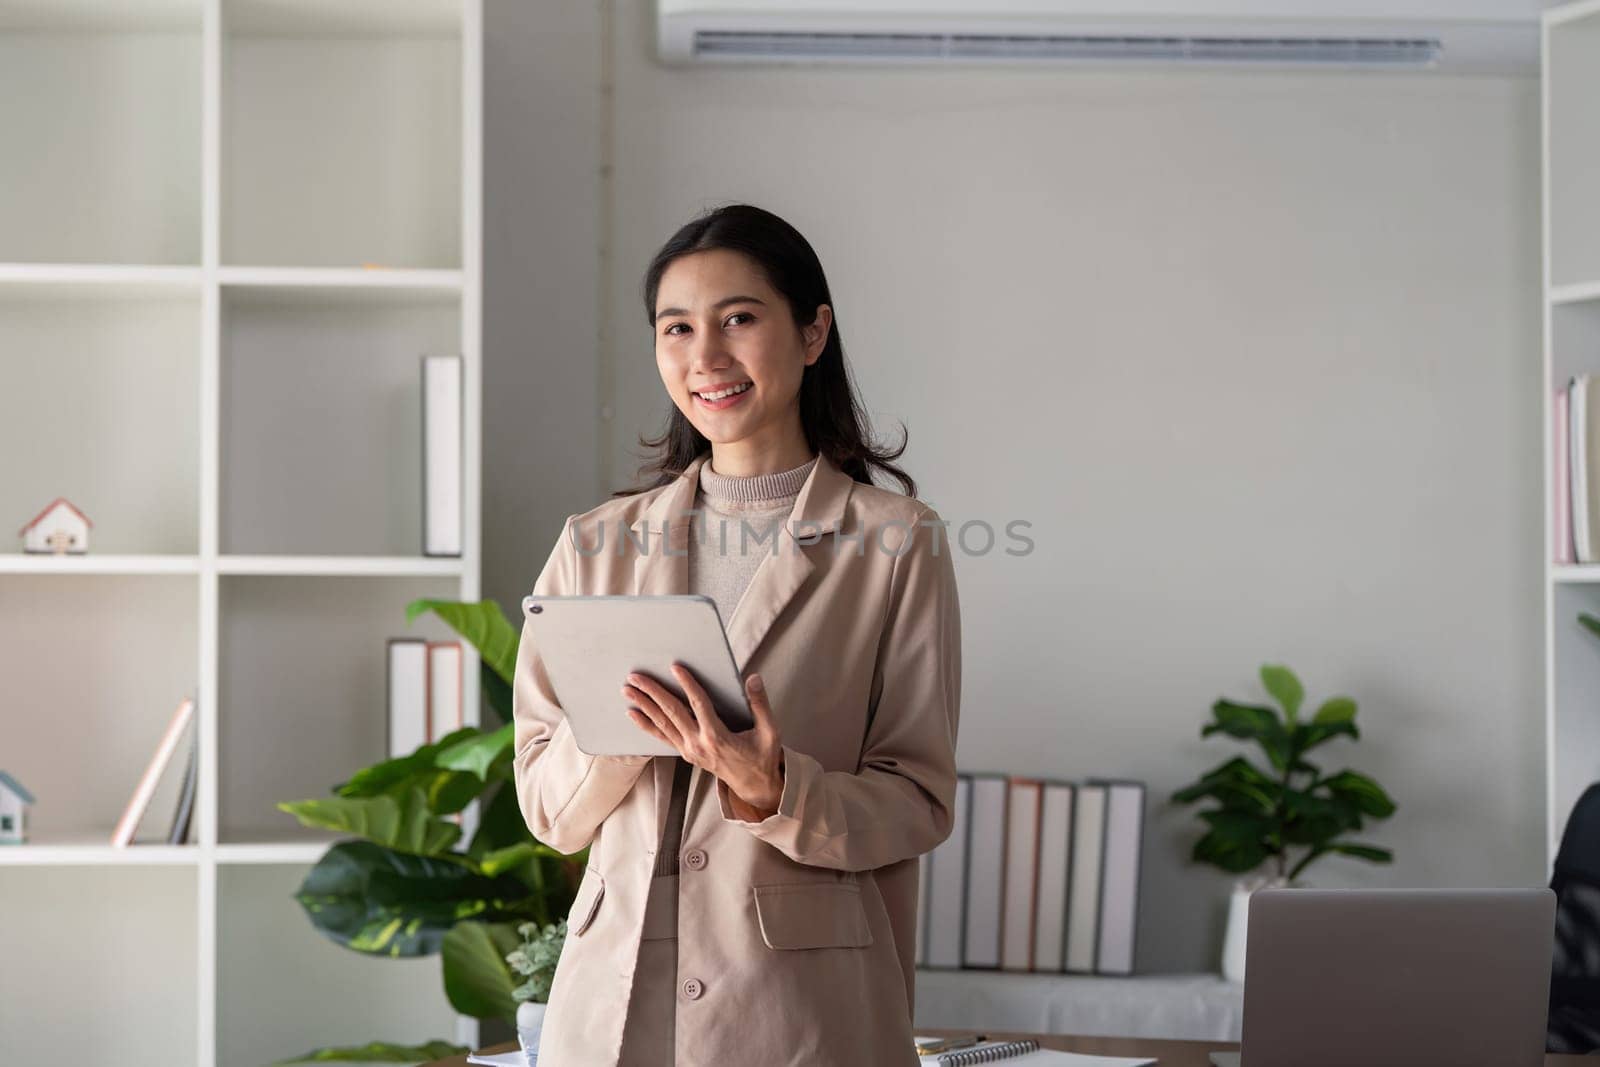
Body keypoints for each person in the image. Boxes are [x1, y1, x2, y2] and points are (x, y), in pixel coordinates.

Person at [512, 202, 962, 1066]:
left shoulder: (897, 541)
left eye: (739, 319)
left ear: (812, 331)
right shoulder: (593, 542)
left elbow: (919, 800)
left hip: (796, 1010)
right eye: (676, 327)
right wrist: (622, 734)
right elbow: (547, 807)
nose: (705, 356)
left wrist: (775, 790)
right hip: (609, 1007)